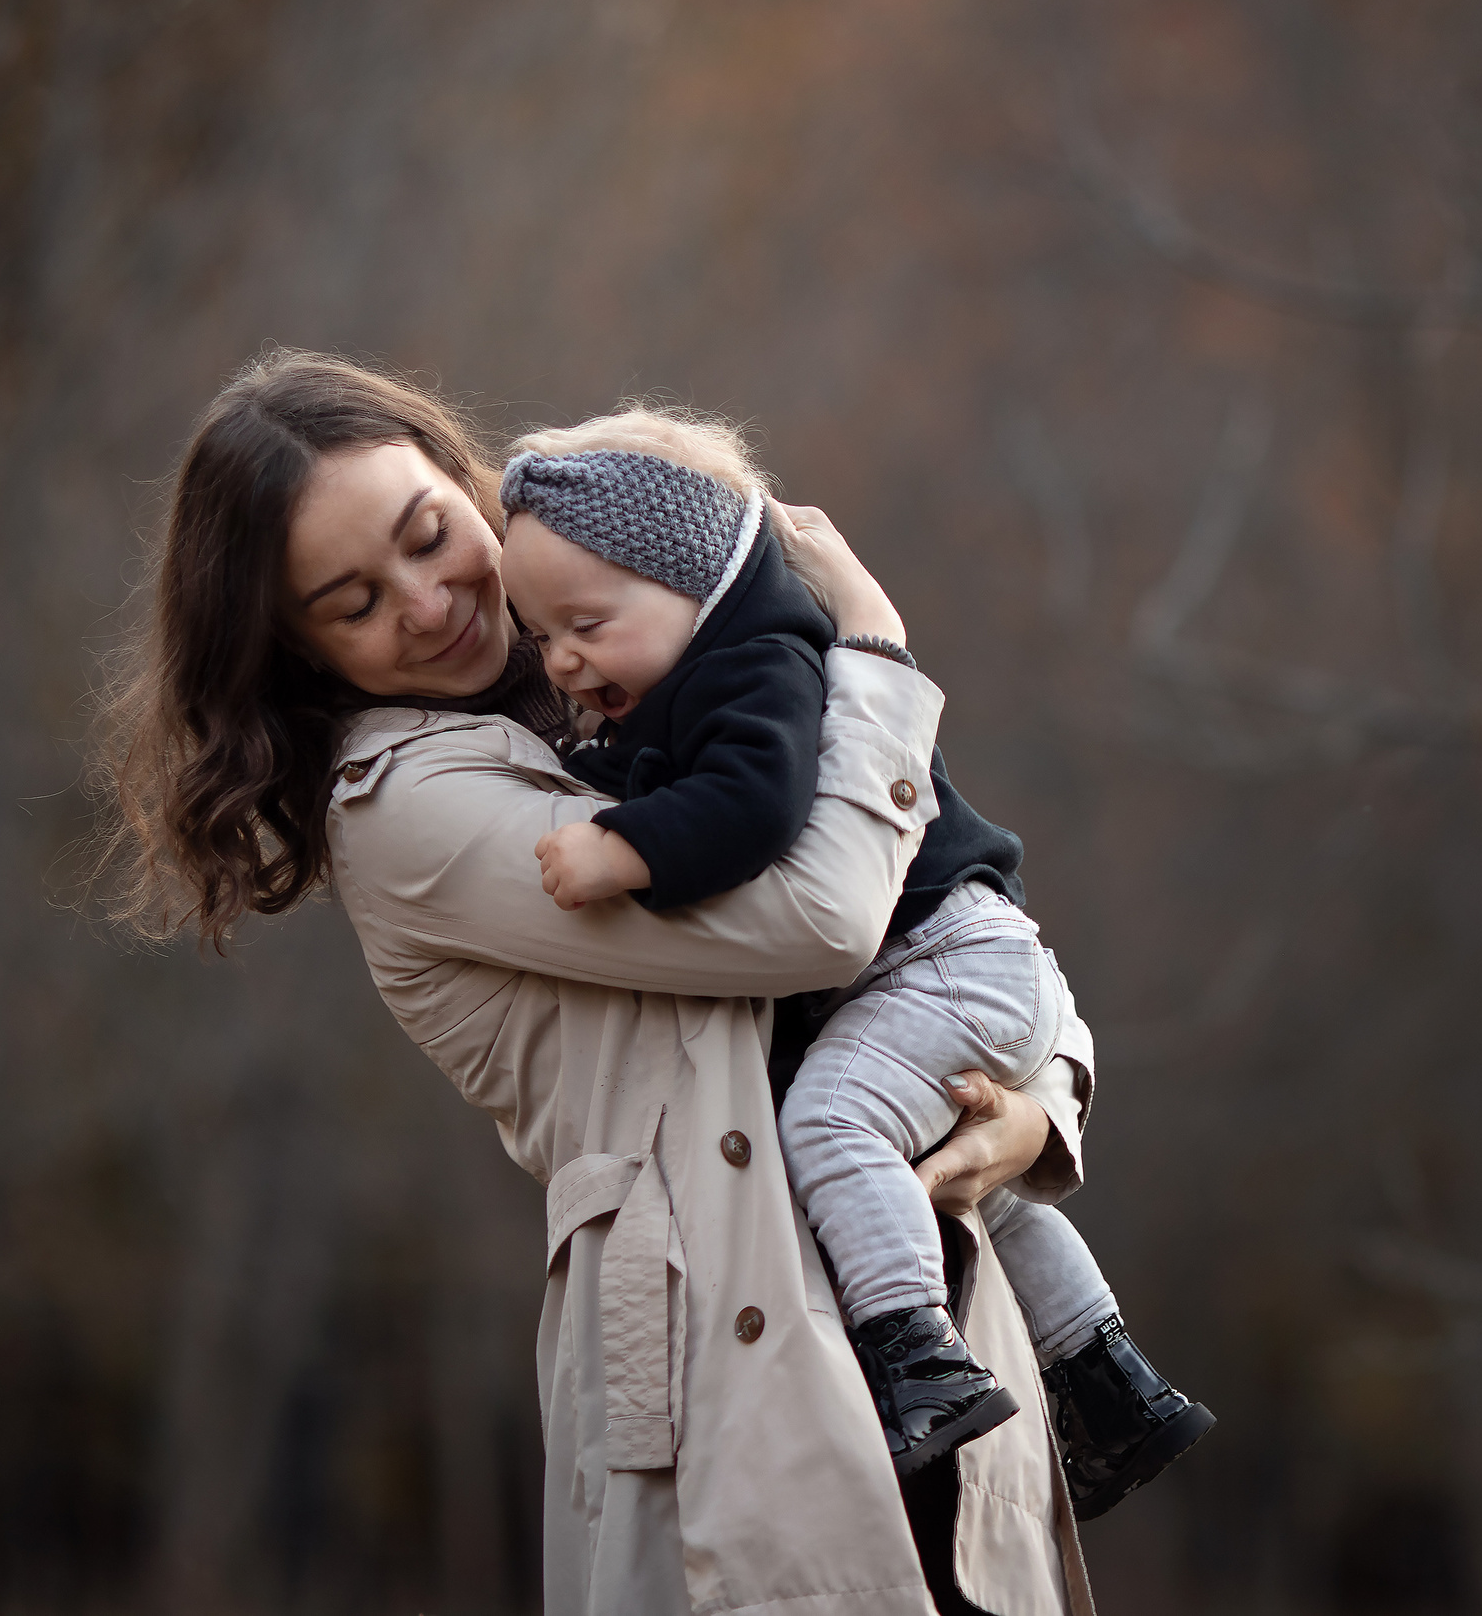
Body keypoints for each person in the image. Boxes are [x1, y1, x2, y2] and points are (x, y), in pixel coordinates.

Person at [92, 348, 1092, 1615]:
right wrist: (877, 655)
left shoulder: (630, 671)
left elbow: (945, 914)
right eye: (352, 602)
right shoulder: (409, 807)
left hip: (928, 1321)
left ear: (476, 485)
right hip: (732, 1374)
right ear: (296, 653)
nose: (426, 602)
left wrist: (1032, 1104)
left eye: (428, 534)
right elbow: (830, 919)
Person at [493, 409, 1215, 1511]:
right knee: (979, 1195)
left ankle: (916, 1361)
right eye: (541, 637)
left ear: (700, 585)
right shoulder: (693, 681)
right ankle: (1109, 1380)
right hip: (963, 966)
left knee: (829, 1125)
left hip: (944, 962)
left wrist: (623, 846)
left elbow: (755, 809)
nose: (564, 659)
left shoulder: (761, 665)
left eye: (587, 622)